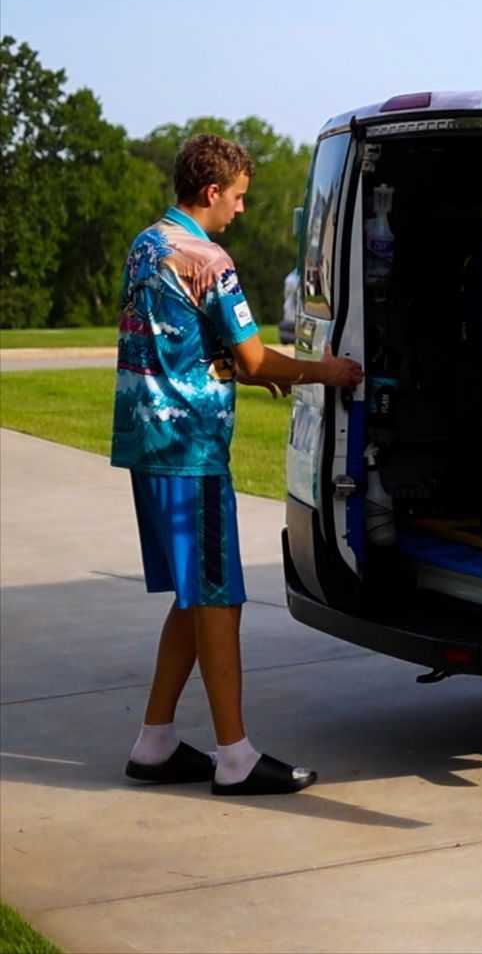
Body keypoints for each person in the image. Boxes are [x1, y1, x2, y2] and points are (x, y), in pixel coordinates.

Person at [111, 133, 363, 794]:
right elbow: (253, 357)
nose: (242, 210)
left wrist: (236, 368)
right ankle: (235, 758)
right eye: (240, 197)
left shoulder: (147, 245)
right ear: (213, 191)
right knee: (219, 598)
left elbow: (183, 345)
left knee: (194, 598)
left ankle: (156, 741)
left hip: (147, 441)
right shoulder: (206, 257)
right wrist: (321, 371)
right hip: (192, 450)